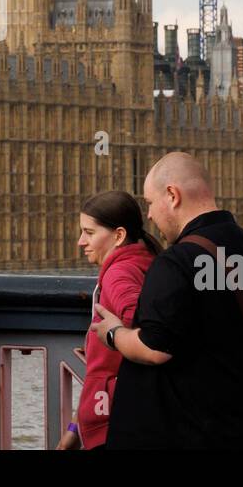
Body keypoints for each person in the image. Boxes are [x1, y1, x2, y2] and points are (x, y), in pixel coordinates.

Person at [99, 151, 243, 449]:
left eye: (151, 203)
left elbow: (156, 347)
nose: (149, 216)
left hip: (194, 433)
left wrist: (114, 334)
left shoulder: (176, 262)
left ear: (172, 195)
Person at [57, 191, 156, 451]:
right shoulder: (146, 263)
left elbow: (148, 332)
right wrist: (75, 428)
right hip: (124, 419)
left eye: (89, 232)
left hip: (115, 428)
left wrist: (114, 334)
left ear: (119, 235)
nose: (81, 241)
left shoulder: (119, 274)